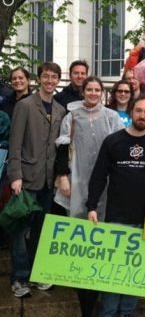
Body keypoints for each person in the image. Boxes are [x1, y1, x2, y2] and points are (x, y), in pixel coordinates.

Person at [86, 95, 145, 317]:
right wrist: (91, 206)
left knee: (134, 275)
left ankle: (126, 313)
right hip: (117, 217)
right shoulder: (113, 141)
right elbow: (98, 176)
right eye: (138, 110)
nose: (142, 115)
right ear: (130, 111)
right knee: (113, 274)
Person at [7, 62, 66, 298]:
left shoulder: (61, 110)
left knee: (41, 230)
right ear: (39, 79)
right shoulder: (25, 105)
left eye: (54, 77)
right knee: (21, 230)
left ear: (58, 80)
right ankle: (19, 277)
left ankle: (36, 272)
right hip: (26, 178)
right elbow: (15, 144)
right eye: (46, 76)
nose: (50, 81)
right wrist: (15, 176)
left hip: (48, 181)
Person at [54, 76, 124, 220]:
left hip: (105, 177)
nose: (93, 93)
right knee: (76, 216)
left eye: (97, 90)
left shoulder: (112, 117)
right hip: (77, 175)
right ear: (83, 92)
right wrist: (62, 176)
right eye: (89, 89)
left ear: (102, 92)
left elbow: (120, 147)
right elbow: (62, 146)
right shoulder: (72, 116)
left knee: (101, 216)